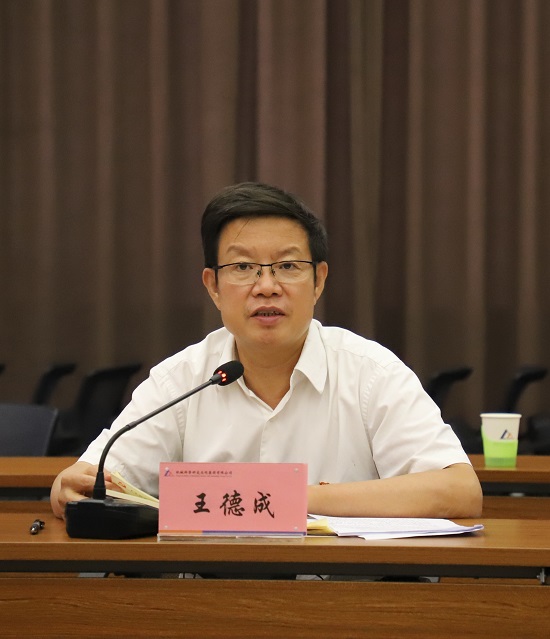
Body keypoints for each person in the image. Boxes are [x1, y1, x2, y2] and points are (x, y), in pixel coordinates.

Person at [51, 182, 482, 520]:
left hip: (343, 598)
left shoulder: (371, 374)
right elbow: (87, 483)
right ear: (213, 286)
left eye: (288, 266)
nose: (267, 286)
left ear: (319, 281)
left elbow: (458, 491)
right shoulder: (180, 381)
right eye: (242, 267)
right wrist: (69, 487)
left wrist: (288, 498)